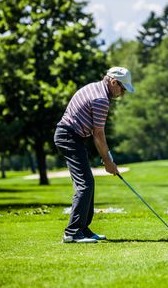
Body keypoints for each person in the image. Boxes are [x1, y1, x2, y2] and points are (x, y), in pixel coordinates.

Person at [54, 67, 135, 243]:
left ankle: (82, 228)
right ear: (113, 82)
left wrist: (107, 159)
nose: (122, 94)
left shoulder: (95, 87)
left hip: (70, 136)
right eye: (122, 89)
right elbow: (98, 134)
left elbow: (94, 133)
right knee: (85, 184)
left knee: (86, 182)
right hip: (69, 136)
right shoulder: (101, 99)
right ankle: (72, 232)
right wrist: (108, 161)